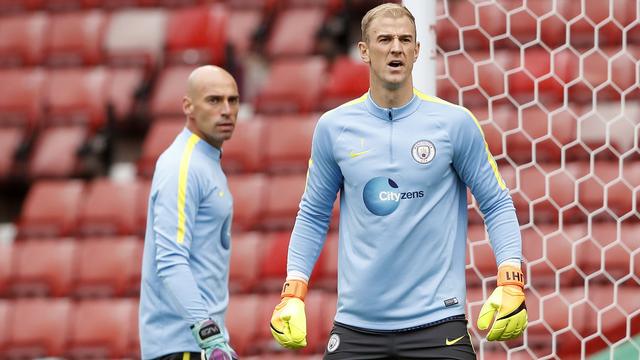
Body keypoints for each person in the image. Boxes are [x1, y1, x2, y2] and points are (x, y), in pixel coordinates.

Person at [269, 3, 527, 359]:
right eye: (385, 39)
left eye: (406, 39)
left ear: (418, 51)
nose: (396, 48)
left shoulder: (454, 124)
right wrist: (293, 292)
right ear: (364, 50)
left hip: (438, 326)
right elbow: (313, 214)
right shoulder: (334, 127)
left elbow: (497, 203)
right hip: (357, 327)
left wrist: (510, 277)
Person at [139, 65, 240, 360]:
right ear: (188, 106)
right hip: (184, 346)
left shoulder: (205, 161)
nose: (226, 110)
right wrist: (208, 336)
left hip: (200, 344)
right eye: (214, 100)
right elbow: (170, 259)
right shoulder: (182, 166)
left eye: (232, 100)